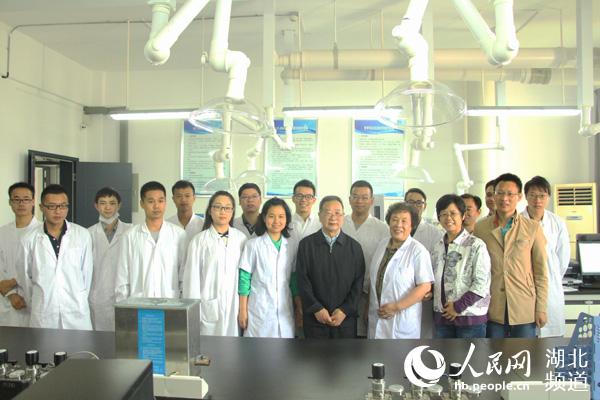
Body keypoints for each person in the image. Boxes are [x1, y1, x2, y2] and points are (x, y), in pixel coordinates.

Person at [474, 173, 548, 338]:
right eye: (500, 193)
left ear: (519, 197)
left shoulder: (532, 228)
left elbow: (541, 272)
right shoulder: (480, 228)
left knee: (524, 352)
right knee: (494, 352)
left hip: (524, 305)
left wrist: (541, 308)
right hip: (492, 306)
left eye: (510, 194)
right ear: (494, 195)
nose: (504, 198)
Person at [18, 184, 93, 330]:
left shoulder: (82, 235)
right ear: (41, 207)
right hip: (44, 311)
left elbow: (87, 274)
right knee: (44, 345)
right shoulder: (28, 238)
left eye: (63, 206)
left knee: (80, 344)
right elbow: (25, 278)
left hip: (76, 310)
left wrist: (79, 296)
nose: (58, 211)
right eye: (52, 206)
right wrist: (39, 299)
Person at [296, 196, 365, 339]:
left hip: (345, 320)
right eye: (328, 212)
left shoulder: (354, 247)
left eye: (338, 213)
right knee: (314, 354)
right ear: (320, 216)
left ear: (343, 216)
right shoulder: (306, 245)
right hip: (315, 320)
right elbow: (302, 281)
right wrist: (316, 308)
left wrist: (344, 310)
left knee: (345, 354)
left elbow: (358, 284)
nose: (333, 217)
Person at [182, 191, 247, 336]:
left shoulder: (241, 239)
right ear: (210, 211)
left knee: (233, 346)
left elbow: (245, 277)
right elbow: (191, 282)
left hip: (234, 306)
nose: (222, 212)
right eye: (218, 207)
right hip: (207, 307)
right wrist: (193, 313)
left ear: (232, 212)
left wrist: (244, 308)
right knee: (210, 346)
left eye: (227, 208)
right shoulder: (199, 241)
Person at [367, 202, 433, 339]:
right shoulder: (382, 245)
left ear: (411, 225)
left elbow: (425, 286)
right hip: (376, 316)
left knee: (399, 352)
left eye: (404, 221)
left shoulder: (418, 251)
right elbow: (375, 281)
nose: (398, 225)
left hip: (402, 321)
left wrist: (396, 307)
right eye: (394, 220)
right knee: (376, 352)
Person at [238, 198, 299, 338]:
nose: (276, 221)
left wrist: (299, 307)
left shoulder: (291, 245)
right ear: (264, 218)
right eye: (271, 216)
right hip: (259, 310)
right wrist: (242, 310)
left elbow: (294, 279)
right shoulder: (253, 245)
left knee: (284, 349)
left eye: (281, 216)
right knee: (259, 350)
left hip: (285, 310)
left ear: (287, 219)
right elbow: (244, 279)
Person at [432, 195, 491, 339]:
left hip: (469, 318)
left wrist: (457, 307)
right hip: (443, 317)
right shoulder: (437, 247)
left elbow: (481, 284)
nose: (448, 218)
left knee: (470, 354)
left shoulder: (476, 245)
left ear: (463, 216)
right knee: (443, 354)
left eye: (453, 213)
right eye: (443, 214)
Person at [115, 181, 186, 301]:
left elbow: (183, 274)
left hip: (170, 302)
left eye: (160, 201)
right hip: (139, 303)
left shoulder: (179, 235)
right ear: (142, 204)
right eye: (151, 201)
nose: (156, 206)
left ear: (165, 203)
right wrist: (124, 307)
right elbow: (122, 277)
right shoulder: (130, 236)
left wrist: (181, 303)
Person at [521, 176, 569, 337]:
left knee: (551, 341)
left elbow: (563, 259)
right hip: (523, 287)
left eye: (542, 196)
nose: (537, 200)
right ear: (525, 196)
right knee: (525, 341)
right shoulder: (516, 222)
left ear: (548, 197)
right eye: (533, 195)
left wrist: (550, 276)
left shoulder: (557, 223)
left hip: (550, 287)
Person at [342, 180, 388, 337]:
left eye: (364, 197)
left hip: (369, 293)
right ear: (349, 199)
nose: (359, 201)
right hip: (341, 293)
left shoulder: (382, 228)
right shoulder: (340, 223)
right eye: (355, 196)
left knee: (364, 337)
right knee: (343, 336)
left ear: (372, 200)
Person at [88, 187, 131, 331]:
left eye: (112, 203)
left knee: (125, 336)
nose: (107, 207)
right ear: (96, 206)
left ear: (119, 205)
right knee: (100, 338)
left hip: (124, 294)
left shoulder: (130, 231)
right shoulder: (88, 234)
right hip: (98, 295)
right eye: (103, 203)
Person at [0, 182, 40, 327]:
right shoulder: (2, 233)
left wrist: (12, 282)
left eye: (26, 199)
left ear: (33, 201)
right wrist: (10, 294)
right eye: (16, 199)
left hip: (35, 299)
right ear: (10, 203)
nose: (21, 203)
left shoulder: (42, 232)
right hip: (6, 300)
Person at [404, 188, 443, 253]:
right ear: (404, 204)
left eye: (419, 203)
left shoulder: (435, 234)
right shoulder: (394, 229)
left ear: (424, 206)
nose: (414, 206)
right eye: (411, 202)